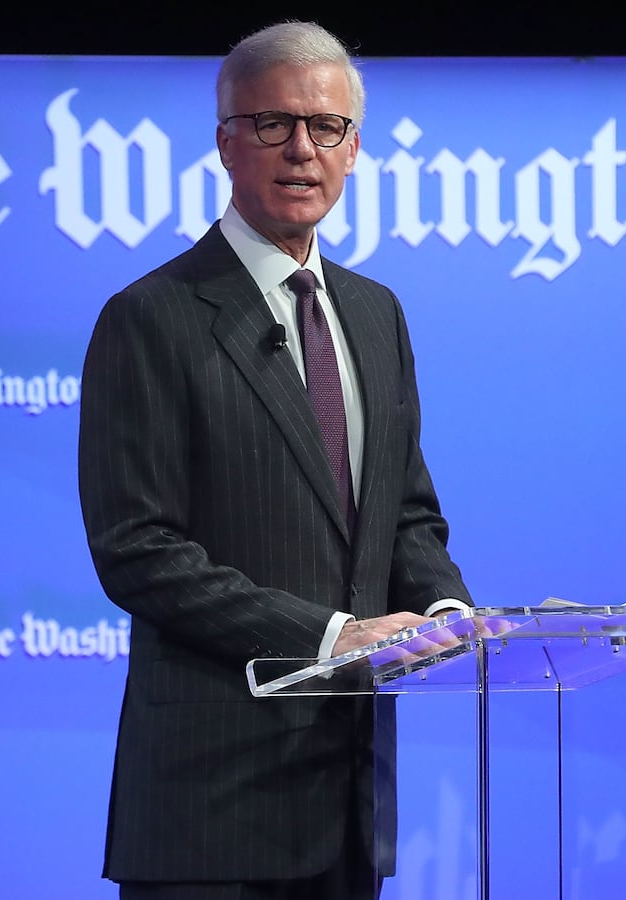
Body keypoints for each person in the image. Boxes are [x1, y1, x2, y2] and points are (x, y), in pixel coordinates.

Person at [77, 20, 473, 900]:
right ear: (226, 143)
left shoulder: (377, 315)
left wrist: (448, 613)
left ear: (355, 148)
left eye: (325, 128)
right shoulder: (151, 317)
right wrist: (330, 638)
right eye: (272, 125)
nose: (302, 149)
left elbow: (402, 512)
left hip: (347, 802)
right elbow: (136, 549)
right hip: (209, 806)